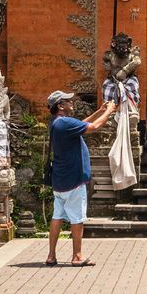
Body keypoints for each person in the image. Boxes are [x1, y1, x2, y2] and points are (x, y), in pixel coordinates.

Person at [45, 90, 116, 267]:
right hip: (73, 179)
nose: (72, 102)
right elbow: (94, 127)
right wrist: (109, 112)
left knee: (57, 217)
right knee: (77, 218)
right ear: (60, 105)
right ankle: (77, 256)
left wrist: (99, 111)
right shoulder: (64, 123)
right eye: (68, 101)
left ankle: (51, 256)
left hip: (60, 179)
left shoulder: (57, 123)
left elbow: (81, 125)